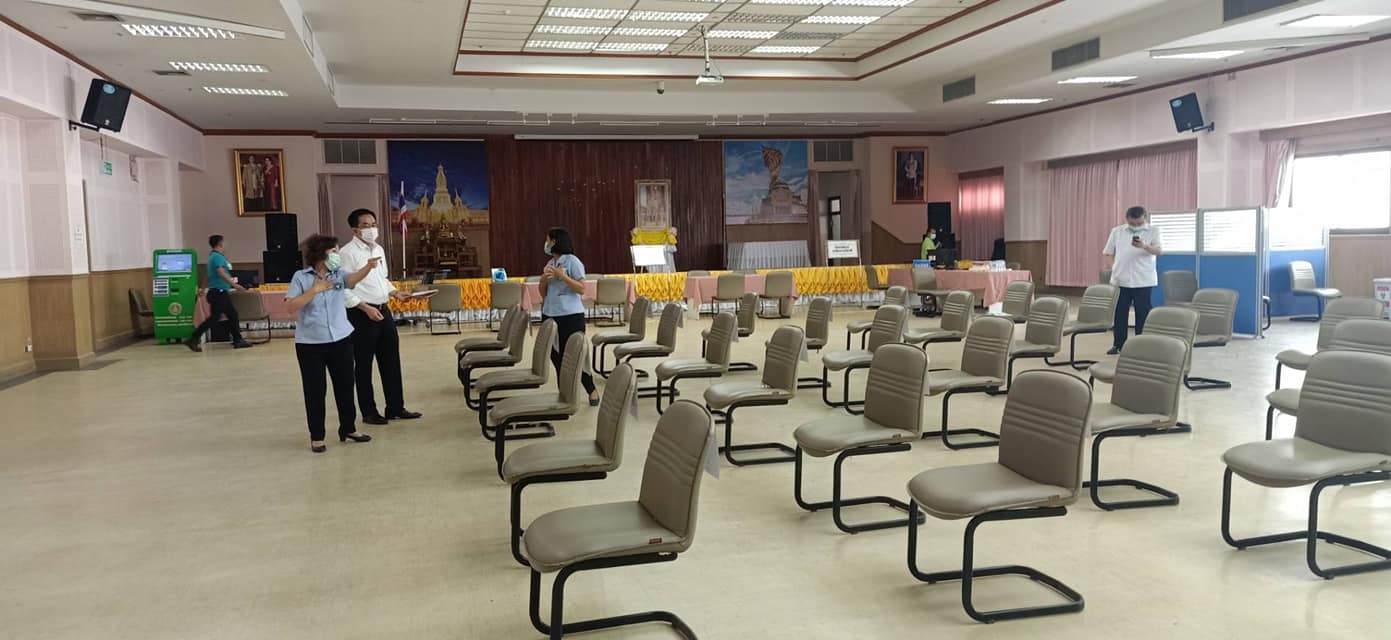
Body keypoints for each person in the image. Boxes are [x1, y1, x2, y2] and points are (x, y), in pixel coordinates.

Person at [285, 234, 379, 453]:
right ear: (321, 254)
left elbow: (352, 280)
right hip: (310, 344)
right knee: (315, 390)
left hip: (341, 339)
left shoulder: (338, 275)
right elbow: (291, 306)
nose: (337, 255)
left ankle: (348, 428)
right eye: (334, 251)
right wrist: (314, 290)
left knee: (346, 386)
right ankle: (317, 436)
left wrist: (368, 266)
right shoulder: (301, 277)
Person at [339, 209, 422, 426]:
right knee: (364, 364)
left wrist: (395, 293)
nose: (371, 229)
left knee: (391, 360)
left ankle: (395, 407)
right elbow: (343, 288)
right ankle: (369, 411)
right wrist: (364, 307)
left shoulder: (378, 249)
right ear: (355, 230)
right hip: (361, 313)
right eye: (366, 225)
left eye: (373, 224)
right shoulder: (347, 253)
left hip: (383, 310)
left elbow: (382, 279)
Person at [540, 227, 600, 406]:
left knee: (575, 354)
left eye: (548, 240)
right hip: (550, 314)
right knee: (554, 354)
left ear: (555, 242)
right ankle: (565, 391)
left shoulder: (573, 261)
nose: (546, 244)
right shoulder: (551, 263)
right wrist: (543, 279)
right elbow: (543, 293)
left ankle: (591, 389)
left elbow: (582, 288)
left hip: (570, 315)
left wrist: (562, 276)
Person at [1103, 206, 1163, 355]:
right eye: (1132, 223)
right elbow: (1108, 252)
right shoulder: (1117, 231)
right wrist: (1113, 268)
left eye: (1139, 223)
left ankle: (1141, 345)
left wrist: (1144, 246)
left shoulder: (1153, 230)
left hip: (1143, 280)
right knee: (1120, 313)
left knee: (1143, 313)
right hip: (1121, 279)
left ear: (1145, 218)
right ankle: (1118, 344)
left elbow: (1159, 251)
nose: (1135, 226)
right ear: (1127, 219)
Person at [185, 234, 251, 352]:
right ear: (220, 243)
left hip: (218, 291)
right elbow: (221, 273)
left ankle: (238, 339)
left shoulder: (212, 257)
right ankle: (194, 338)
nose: (226, 244)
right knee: (215, 318)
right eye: (224, 242)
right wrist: (235, 285)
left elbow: (208, 276)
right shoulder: (217, 257)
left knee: (232, 315)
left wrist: (202, 288)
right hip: (219, 292)